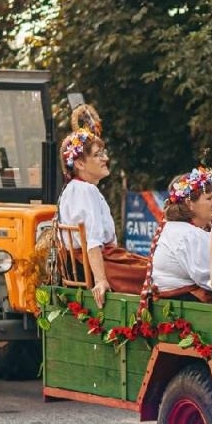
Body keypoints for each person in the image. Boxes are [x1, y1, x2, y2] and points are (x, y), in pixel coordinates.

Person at [57, 119, 148, 305]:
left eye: (103, 153)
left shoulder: (71, 189)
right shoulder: (85, 190)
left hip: (88, 263)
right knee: (157, 273)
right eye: (98, 155)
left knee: (149, 265)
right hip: (96, 265)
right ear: (80, 164)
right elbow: (92, 240)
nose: (105, 158)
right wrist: (100, 280)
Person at [150, 168, 212, 298]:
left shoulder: (175, 228)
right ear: (189, 203)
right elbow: (211, 278)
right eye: (209, 198)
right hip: (185, 303)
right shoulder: (188, 234)